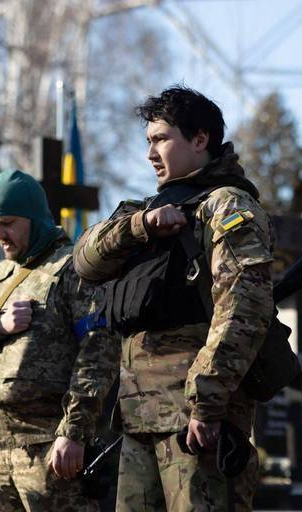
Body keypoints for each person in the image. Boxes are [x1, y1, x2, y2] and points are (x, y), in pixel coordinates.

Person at [74, 86, 273, 511]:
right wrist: (140, 226)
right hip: (137, 418)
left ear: (200, 140)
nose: (150, 153)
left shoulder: (226, 205)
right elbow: (84, 261)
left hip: (195, 420)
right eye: (148, 141)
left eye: (161, 139)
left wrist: (207, 399)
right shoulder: (142, 211)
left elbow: (244, 307)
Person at [0, 169, 119, 512]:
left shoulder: (73, 268)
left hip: (49, 447)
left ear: (34, 218)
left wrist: (75, 432)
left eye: (7, 223)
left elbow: (99, 351)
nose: (0, 235)